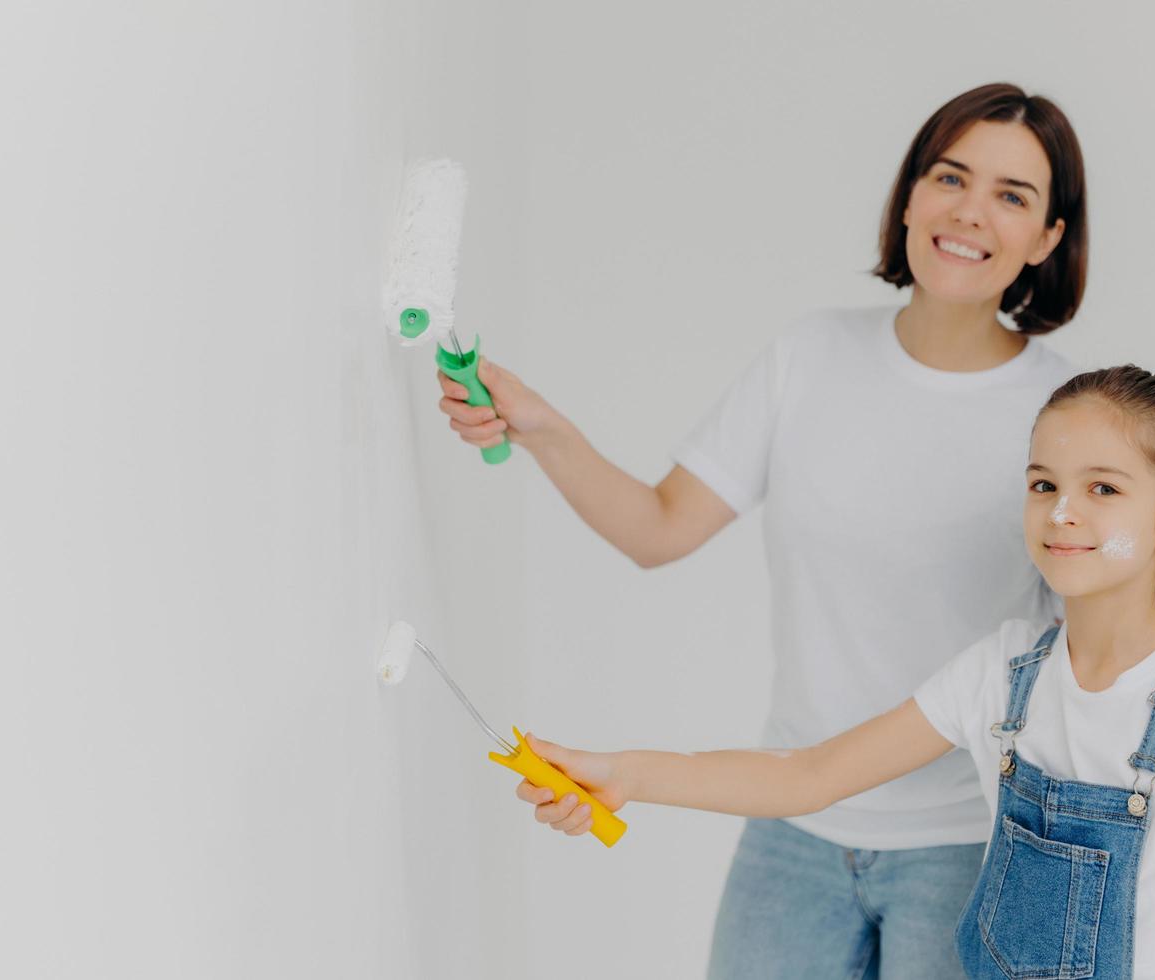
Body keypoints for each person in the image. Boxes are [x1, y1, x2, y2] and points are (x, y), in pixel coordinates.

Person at [440, 83, 1087, 978]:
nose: (970, 212)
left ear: (1048, 239)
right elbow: (657, 529)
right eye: (950, 176)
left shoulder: (1066, 415)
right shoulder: (809, 358)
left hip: (969, 843)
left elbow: (1097, 650)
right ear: (909, 195)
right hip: (793, 836)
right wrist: (542, 427)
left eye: (1013, 196)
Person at [519, 366, 1155, 980]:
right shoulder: (1003, 676)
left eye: (1103, 488)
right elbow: (810, 776)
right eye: (1044, 485)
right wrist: (624, 775)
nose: (1063, 511)